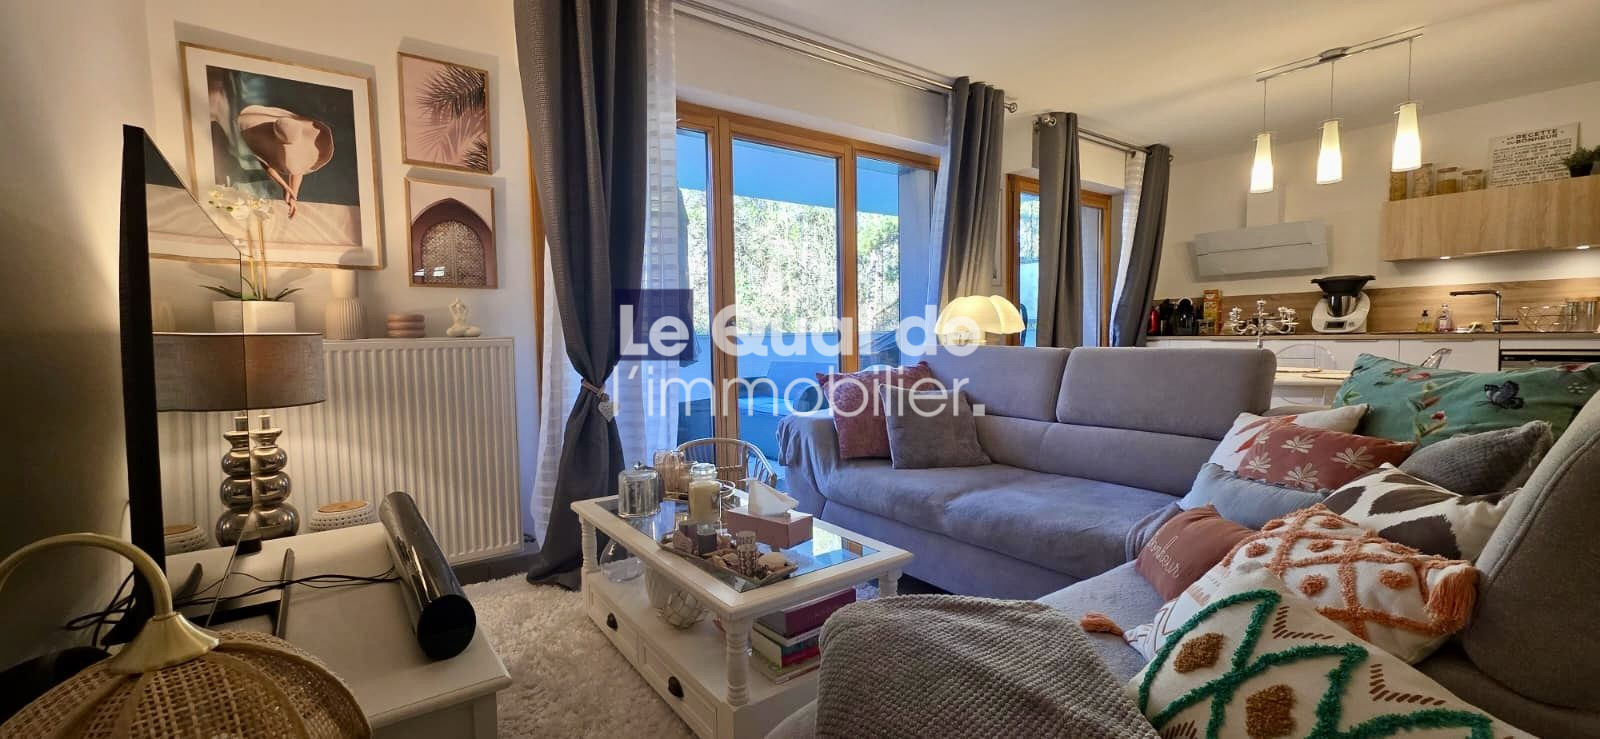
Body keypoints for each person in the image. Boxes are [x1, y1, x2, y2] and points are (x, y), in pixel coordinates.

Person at [236, 105, 334, 218]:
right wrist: (284, 186)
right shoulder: (260, 137)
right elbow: (265, 162)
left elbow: (298, 167)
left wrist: (292, 195)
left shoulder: (291, 132)